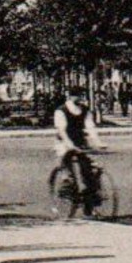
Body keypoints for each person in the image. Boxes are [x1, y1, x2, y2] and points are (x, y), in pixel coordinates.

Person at [53, 85, 103, 214]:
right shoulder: (61, 111)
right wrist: (69, 144)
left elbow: (90, 127)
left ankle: (89, 199)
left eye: (80, 95)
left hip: (80, 142)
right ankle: (67, 189)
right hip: (64, 143)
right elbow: (62, 131)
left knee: (90, 170)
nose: (79, 98)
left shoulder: (85, 110)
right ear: (70, 96)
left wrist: (98, 142)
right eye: (76, 95)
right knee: (68, 172)